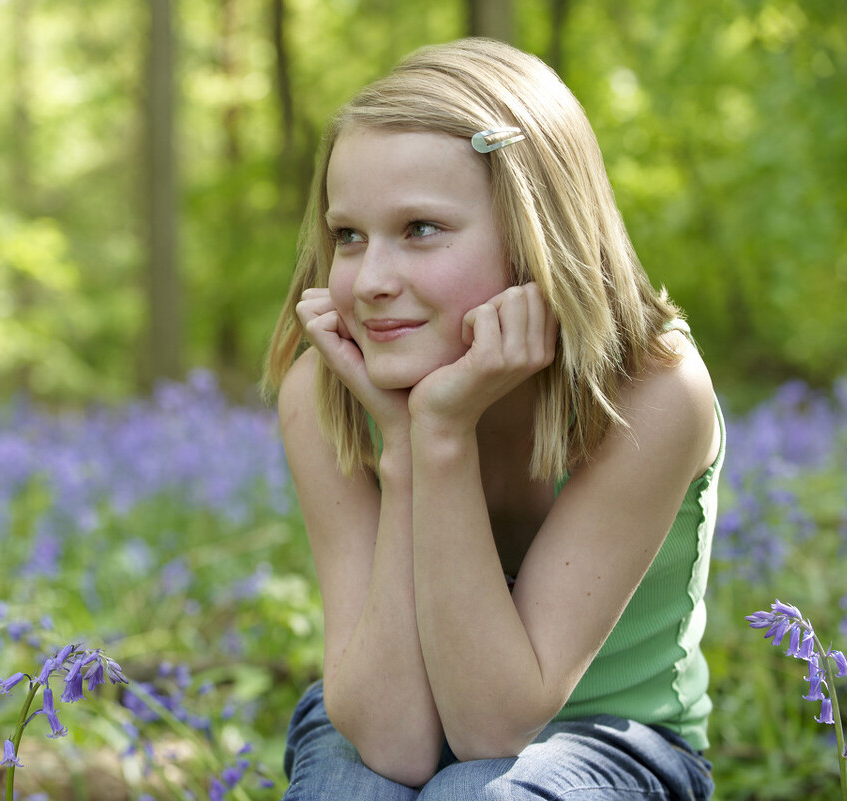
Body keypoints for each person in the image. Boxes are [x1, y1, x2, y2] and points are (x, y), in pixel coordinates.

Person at [261, 37, 723, 800]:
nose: (371, 280)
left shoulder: (652, 390)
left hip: (617, 737)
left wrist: (440, 432)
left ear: (535, 231)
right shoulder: (325, 392)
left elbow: (489, 731)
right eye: (349, 235)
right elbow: (395, 740)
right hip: (387, 707)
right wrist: (409, 442)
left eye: (421, 229)